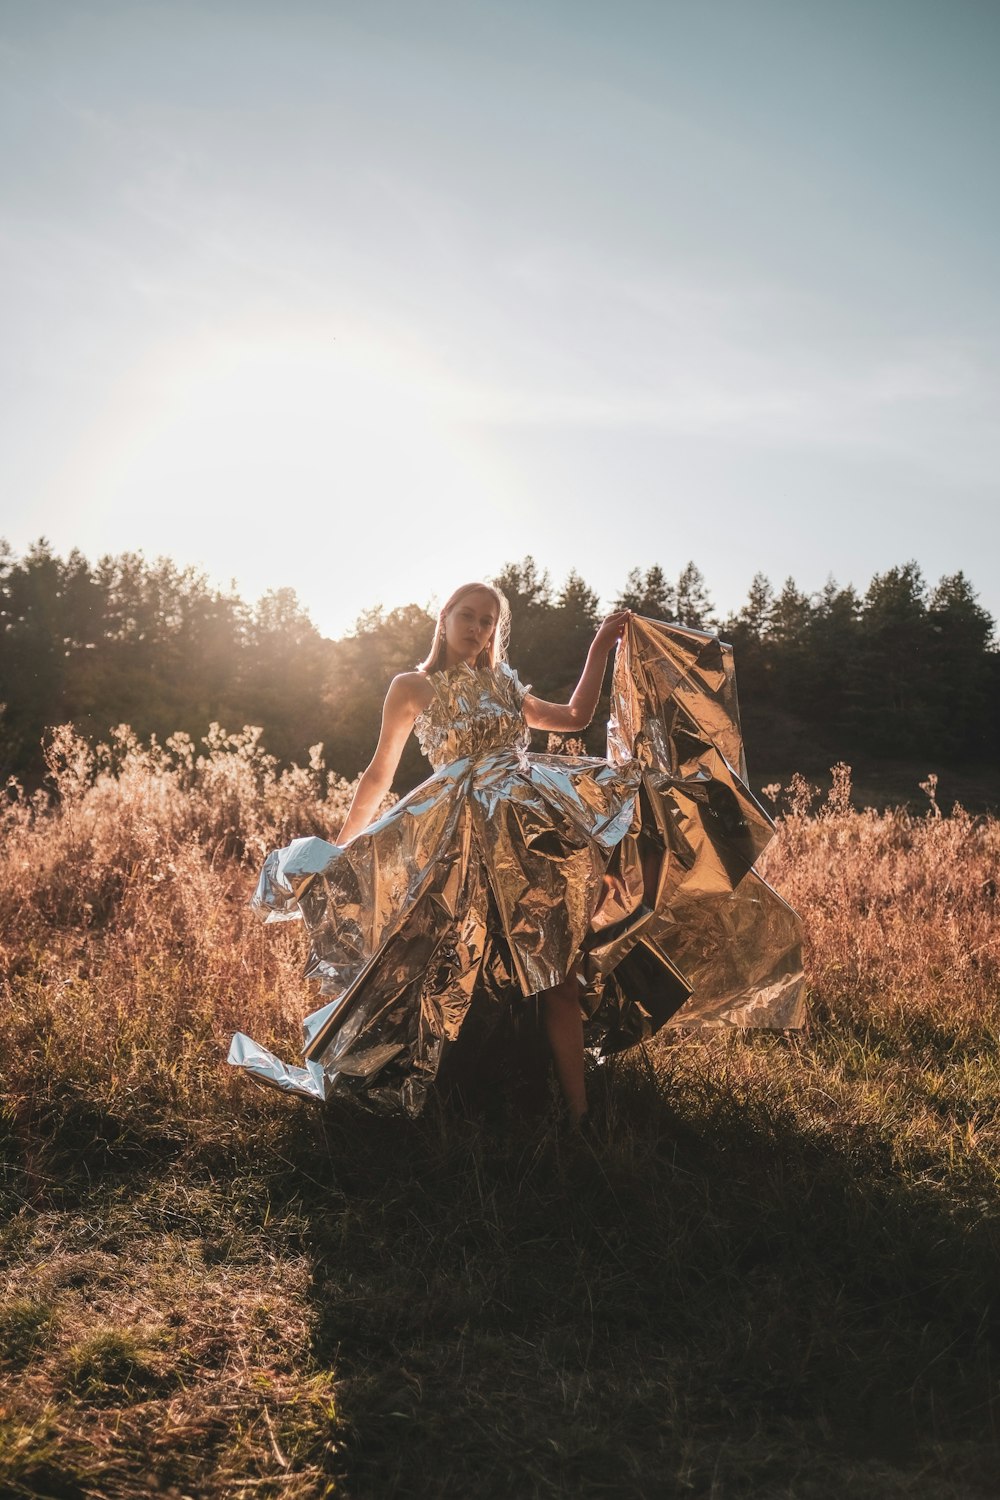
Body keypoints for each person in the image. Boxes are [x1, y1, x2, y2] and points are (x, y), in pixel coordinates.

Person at [229, 583, 805, 1119]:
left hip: (529, 832)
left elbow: (575, 719)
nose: (476, 629)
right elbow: (380, 772)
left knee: (553, 967)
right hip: (455, 831)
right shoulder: (413, 687)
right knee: (441, 960)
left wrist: (602, 645)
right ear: (444, 618)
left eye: (487, 622)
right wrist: (346, 841)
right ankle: (444, 1082)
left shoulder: (505, 684)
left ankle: (577, 1120)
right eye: (467, 617)